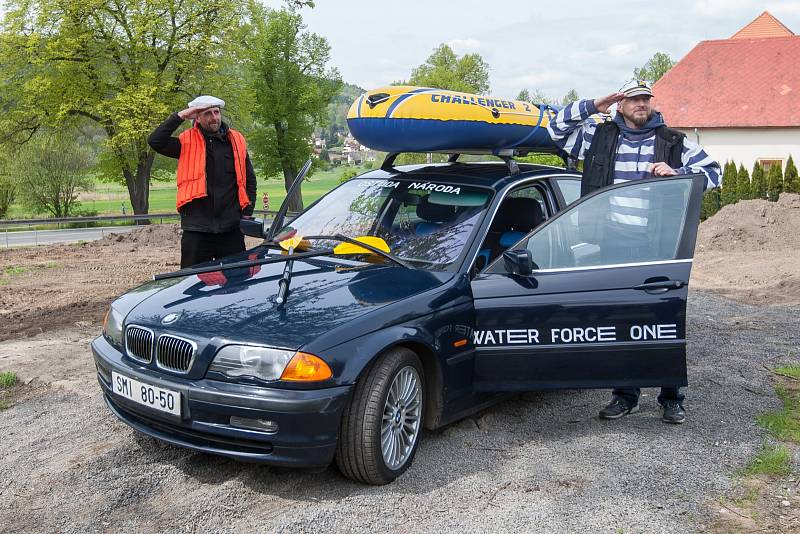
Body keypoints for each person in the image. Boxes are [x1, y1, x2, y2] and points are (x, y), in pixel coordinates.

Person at [547, 79, 721, 424]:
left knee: (664, 318)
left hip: (659, 245)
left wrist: (678, 172)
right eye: (633, 99)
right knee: (621, 318)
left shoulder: (672, 141)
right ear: (620, 105)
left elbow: (715, 173)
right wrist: (594, 103)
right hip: (611, 243)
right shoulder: (600, 137)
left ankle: (670, 396)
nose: (641, 104)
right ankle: (625, 395)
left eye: (646, 99)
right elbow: (555, 129)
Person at [148, 95, 257, 268]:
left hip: (231, 230)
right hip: (197, 230)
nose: (214, 117)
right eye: (207, 113)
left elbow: (250, 180)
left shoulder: (236, 142)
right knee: (192, 284)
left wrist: (246, 212)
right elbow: (155, 141)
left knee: (236, 285)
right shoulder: (185, 143)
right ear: (197, 117)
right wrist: (181, 116)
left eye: (216, 112)